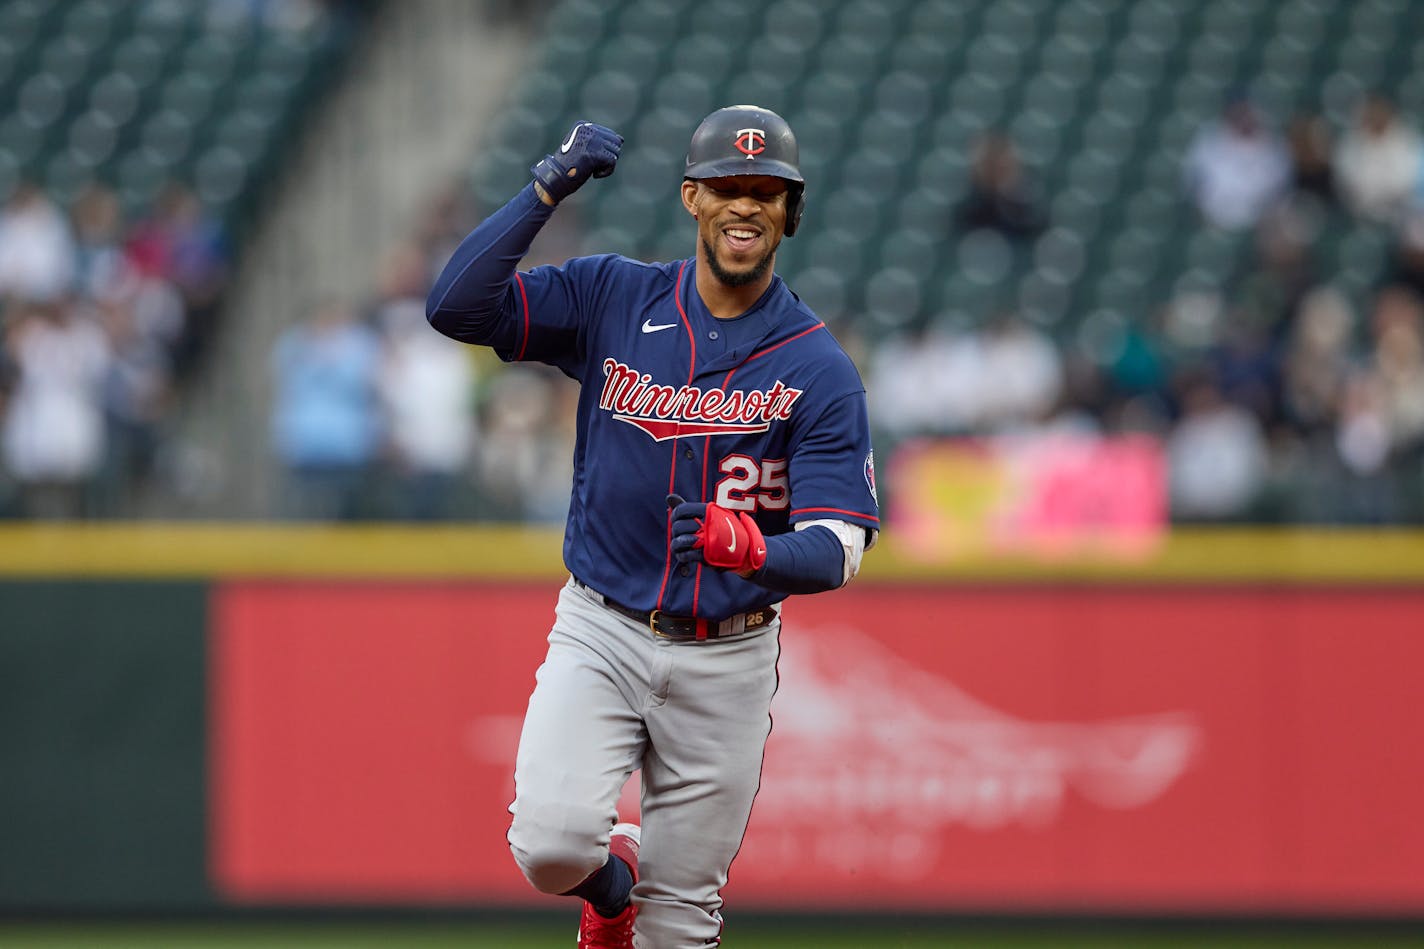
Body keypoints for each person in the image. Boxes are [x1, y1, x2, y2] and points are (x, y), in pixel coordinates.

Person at [426, 106, 879, 948]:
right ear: (692, 198)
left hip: (729, 655)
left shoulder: (818, 366)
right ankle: (610, 887)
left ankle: (643, 907)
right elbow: (457, 307)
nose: (746, 204)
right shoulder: (613, 295)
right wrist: (544, 187)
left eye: (766, 191)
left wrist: (756, 549)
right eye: (726, 187)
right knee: (551, 846)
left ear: (791, 212)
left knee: (678, 929)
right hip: (602, 625)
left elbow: (843, 542)